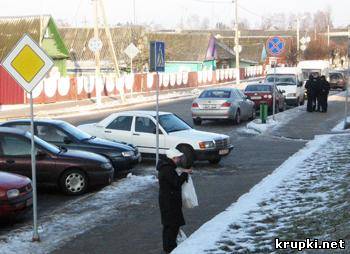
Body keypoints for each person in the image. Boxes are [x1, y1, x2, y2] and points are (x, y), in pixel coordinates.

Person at [157, 149, 192, 254]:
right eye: (178, 158)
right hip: (169, 202)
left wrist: (182, 172)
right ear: (173, 158)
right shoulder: (167, 169)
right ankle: (170, 248)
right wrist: (184, 175)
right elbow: (176, 183)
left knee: (169, 225)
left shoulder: (167, 167)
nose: (179, 160)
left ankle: (169, 247)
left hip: (168, 201)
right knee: (172, 225)